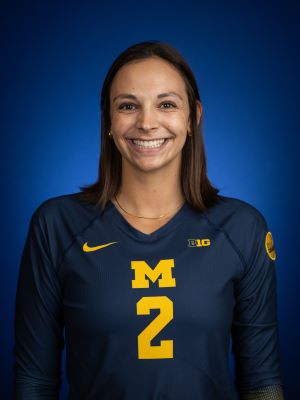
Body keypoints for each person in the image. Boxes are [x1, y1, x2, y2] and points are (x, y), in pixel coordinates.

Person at [13, 41, 285, 399]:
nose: (146, 122)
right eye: (128, 106)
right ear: (109, 121)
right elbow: (34, 381)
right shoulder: (56, 224)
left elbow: (261, 382)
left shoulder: (242, 228)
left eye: (167, 104)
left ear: (193, 118)